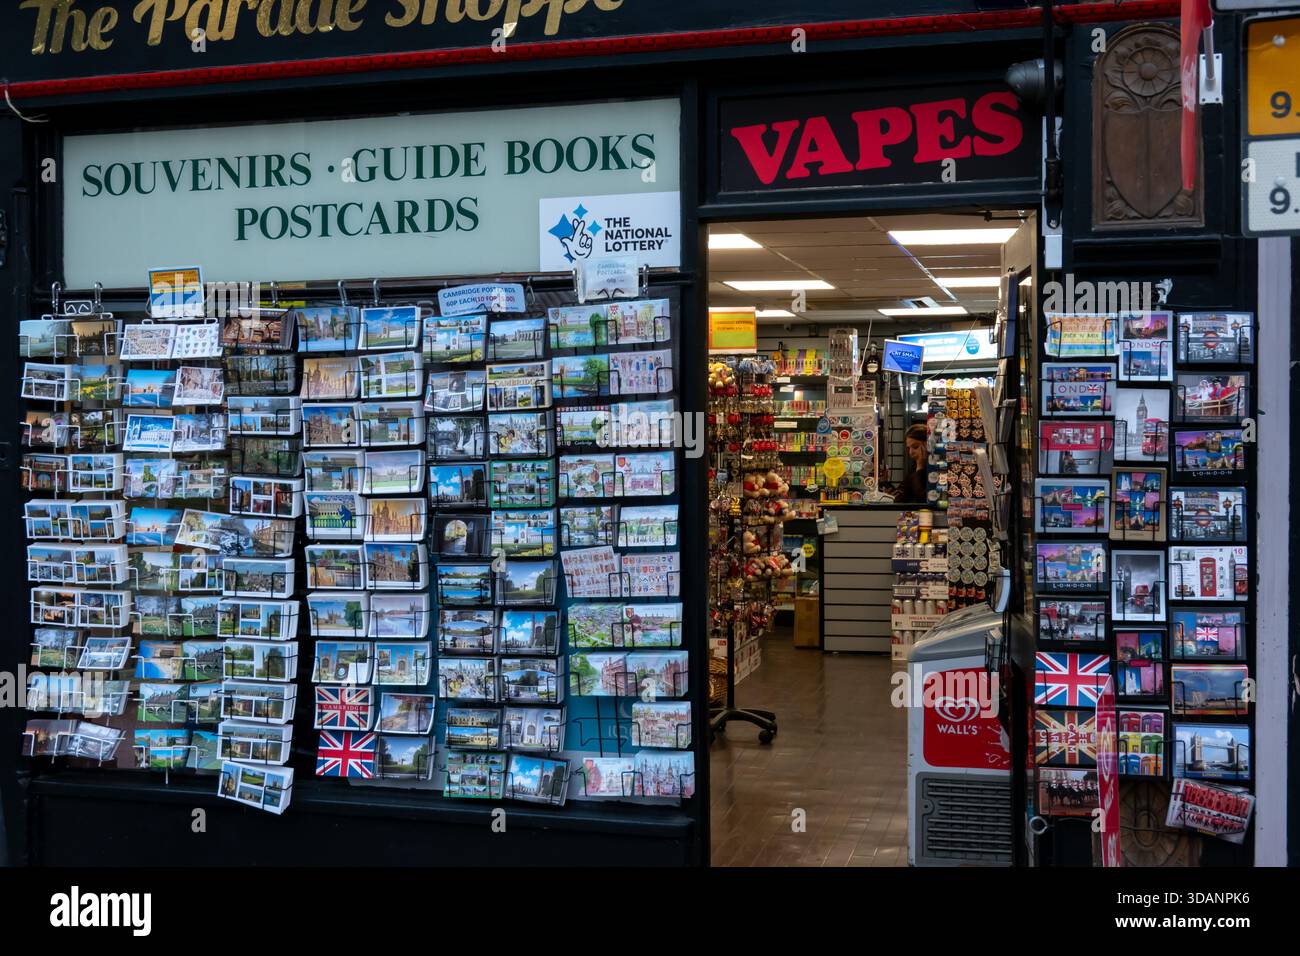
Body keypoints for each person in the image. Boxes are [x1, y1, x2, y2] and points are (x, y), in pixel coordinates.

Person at [894, 423, 930, 503]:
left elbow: (922, 498)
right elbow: (903, 493)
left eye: (915, 447)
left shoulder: (936, 468)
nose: (910, 452)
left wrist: (920, 467)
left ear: (927, 445)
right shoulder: (914, 465)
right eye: (908, 448)